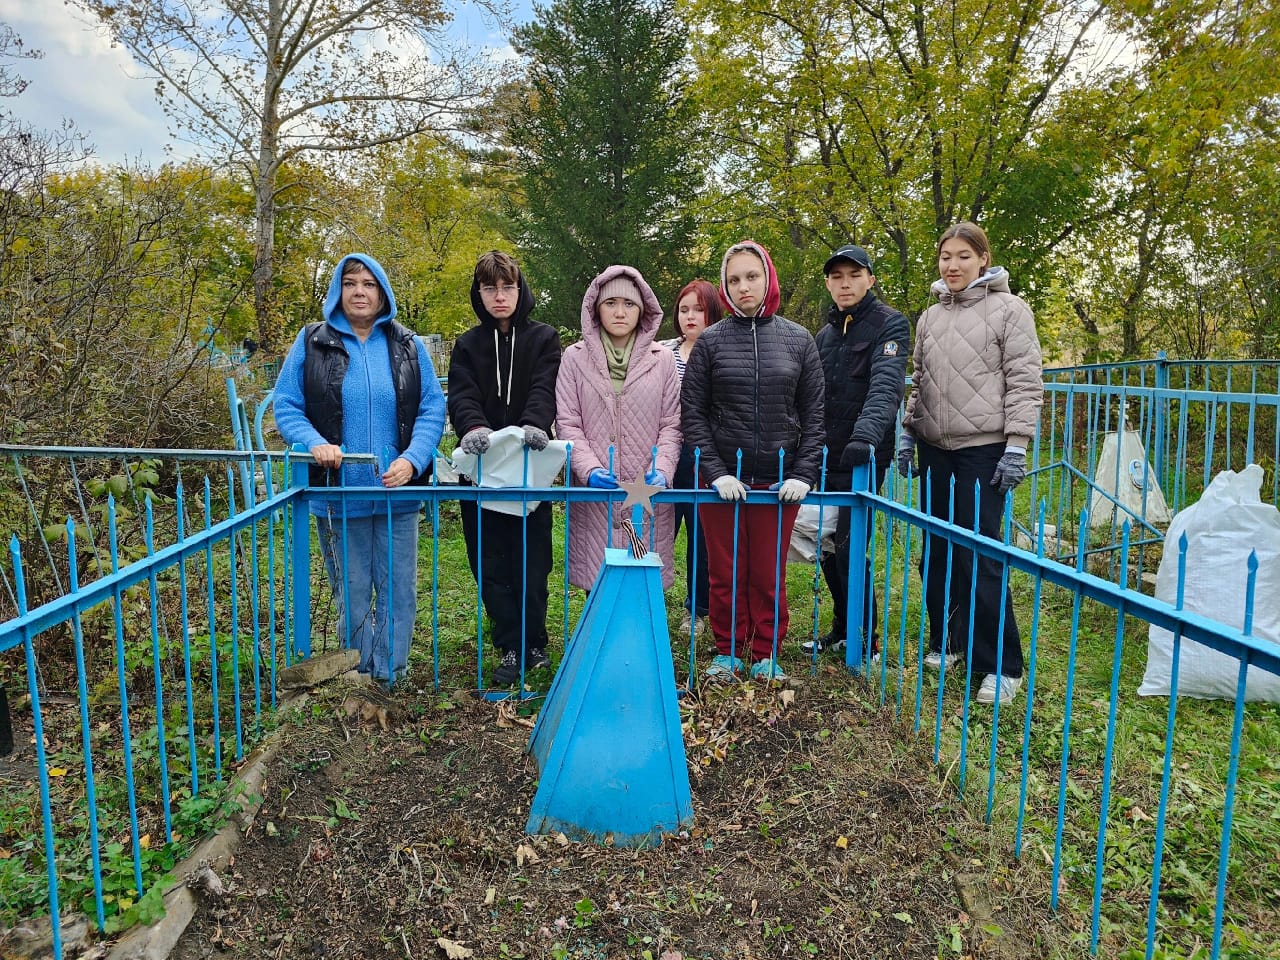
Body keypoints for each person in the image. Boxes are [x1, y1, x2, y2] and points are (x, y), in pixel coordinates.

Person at [273, 253, 446, 687]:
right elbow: (287, 406)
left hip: (397, 493)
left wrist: (412, 460)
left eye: (369, 284)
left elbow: (431, 409)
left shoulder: (407, 346)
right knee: (351, 592)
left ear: (383, 292)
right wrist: (316, 444)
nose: (360, 291)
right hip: (339, 492)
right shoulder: (312, 342)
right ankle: (360, 674)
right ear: (337, 290)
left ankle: (391, 675)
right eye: (351, 283)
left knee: (398, 590)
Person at [898, 221, 1043, 706]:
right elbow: (917, 380)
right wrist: (906, 431)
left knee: (979, 554)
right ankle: (949, 641)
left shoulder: (1009, 310)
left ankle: (1001, 664)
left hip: (984, 448)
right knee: (937, 549)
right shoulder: (930, 316)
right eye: (945, 257)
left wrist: (1017, 444)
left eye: (963, 256)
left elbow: (1024, 381)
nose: (953, 265)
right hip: (936, 447)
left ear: (983, 258)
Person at [681, 240, 825, 682]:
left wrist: (803, 473)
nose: (744, 286)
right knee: (723, 571)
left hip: (778, 481)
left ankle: (765, 651)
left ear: (768, 279)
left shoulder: (799, 340)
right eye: (734, 279)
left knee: (767, 572)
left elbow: (815, 413)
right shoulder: (710, 342)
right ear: (724, 287)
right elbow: (693, 414)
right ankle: (727, 649)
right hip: (723, 479)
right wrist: (716, 472)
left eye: (752, 277)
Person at [448, 251, 562, 688]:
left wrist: (535, 424)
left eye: (508, 287)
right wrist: (473, 427)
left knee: (533, 563)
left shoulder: (544, 339)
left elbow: (545, 386)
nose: (500, 296)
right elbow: (461, 393)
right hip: (481, 468)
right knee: (490, 562)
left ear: (520, 289)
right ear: (479, 293)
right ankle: (508, 642)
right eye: (490, 288)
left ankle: (534, 640)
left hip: (529, 466)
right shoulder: (467, 344)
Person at [803, 244, 909, 662]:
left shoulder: (890, 325)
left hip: (864, 456)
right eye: (836, 277)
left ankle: (865, 638)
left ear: (870, 279)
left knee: (850, 543)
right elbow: (810, 398)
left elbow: (886, 385)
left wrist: (864, 437)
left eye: (853, 275)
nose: (844, 284)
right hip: (826, 456)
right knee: (828, 543)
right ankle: (842, 628)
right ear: (828, 283)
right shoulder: (824, 336)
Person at [556, 265, 681, 595]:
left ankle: (639, 645)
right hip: (596, 492)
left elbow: (672, 423)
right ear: (596, 308)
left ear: (643, 310)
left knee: (643, 583)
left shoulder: (663, 359)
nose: (620, 312)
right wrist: (589, 469)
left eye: (629, 304)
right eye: (610, 303)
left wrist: (663, 470)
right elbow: (567, 423)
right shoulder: (574, 358)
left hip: (646, 492)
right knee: (597, 584)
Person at [660, 279, 722, 639]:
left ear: (712, 312)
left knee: (700, 535)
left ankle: (697, 609)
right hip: (667, 455)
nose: (690, 316)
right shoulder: (663, 352)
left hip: (705, 456)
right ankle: (649, 597)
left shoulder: (722, 350)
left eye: (698, 309)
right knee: (660, 530)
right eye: (684, 309)